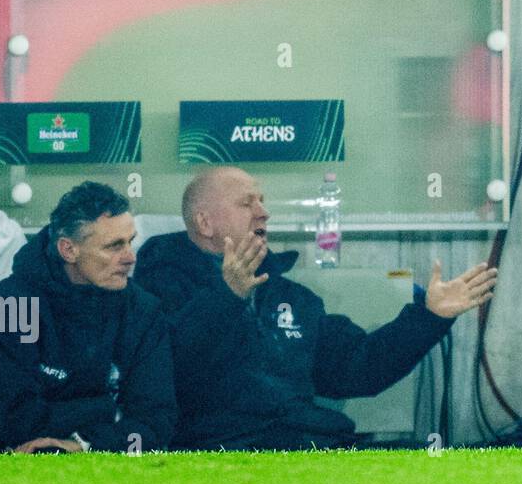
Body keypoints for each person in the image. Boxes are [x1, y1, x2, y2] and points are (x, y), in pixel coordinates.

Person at [134, 166, 497, 450]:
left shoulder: (292, 296)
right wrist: (227, 296)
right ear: (204, 222)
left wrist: (429, 318)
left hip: (311, 445)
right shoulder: (155, 289)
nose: (263, 213)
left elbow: (359, 370)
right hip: (216, 452)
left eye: (262, 201)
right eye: (247, 203)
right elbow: (169, 374)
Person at [0, 182, 176, 453]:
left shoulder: (142, 310)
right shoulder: (9, 305)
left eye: (130, 242)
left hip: (112, 469)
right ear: (68, 250)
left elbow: (156, 423)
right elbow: (12, 420)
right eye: (114, 246)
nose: (130, 258)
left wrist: (85, 444)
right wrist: (106, 409)